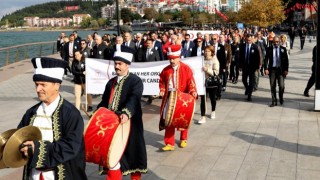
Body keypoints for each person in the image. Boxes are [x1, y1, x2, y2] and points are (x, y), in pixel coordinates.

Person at [18, 57, 87, 180]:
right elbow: (19, 137)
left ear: (57, 85)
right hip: (34, 174)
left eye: (43, 84)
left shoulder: (71, 114)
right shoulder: (31, 113)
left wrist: (38, 148)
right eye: (36, 84)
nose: (38, 89)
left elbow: (71, 147)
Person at [96, 50, 147, 179]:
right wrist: (97, 112)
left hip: (130, 123)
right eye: (115, 63)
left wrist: (126, 112)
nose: (117, 66)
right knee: (112, 156)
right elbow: (104, 101)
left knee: (133, 154)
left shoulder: (135, 81)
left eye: (120, 64)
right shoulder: (111, 82)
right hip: (112, 125)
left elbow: (134, 99)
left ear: (127, 65)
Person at [159, 44, 197, 151]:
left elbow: (190, 82)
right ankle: (169, 143)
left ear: (178, 57)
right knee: (169, 119)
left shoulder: (186, 68)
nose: (172, 61)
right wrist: (162, 90)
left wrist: (193, 91)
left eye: (174, 59)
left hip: (182, 97)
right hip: (169, 97)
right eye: (170, 59)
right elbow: (161, 81)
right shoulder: (165, 70)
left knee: (183, 118)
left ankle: (183, 138)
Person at [264, 36, 289, 107]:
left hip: (280, 70)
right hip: (272, 70)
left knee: (281, 86)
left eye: (277, 42)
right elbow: (266, 59)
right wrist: (265, 68)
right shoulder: (269, 49)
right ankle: (274, 101)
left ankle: (281, 97)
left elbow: (286, 61)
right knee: (272, 86)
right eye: (274, 42)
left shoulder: (283, 49)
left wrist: (286, 70)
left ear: (279, 42)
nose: (276, 43)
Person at [198, 45, 219, 124]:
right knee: (203, 99)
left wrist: (207, 70)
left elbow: (216, 72)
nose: (206, 53)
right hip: (202, 82)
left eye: (208, 51)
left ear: (212, 52)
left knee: (212, 98)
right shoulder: (201, 59)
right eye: (205, 51)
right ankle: (202, 116)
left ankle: (213, 110)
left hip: (211, 82)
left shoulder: (215, 60)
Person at [239, 34, 260, 101]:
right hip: (245, 66)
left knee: (251, 81)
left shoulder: (255, 47)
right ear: (245, 39)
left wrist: (257, 67)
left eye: (250, 40)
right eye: (247, 40)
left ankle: (249, 95)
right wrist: (240, 66)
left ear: (252, 40)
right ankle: (247, 88)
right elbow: (240, 56)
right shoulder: (242, 46)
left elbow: (258, 58)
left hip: (252, 67)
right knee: (244, 79)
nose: (248, 41)